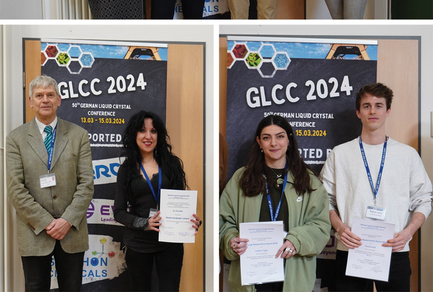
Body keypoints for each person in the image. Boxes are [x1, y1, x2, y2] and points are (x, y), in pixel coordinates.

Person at [320, 83, 432, 291]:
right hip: (352, 249)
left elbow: (424, 199)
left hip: (394, 250)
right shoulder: (340, 154)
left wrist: (409, 231)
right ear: (358, 112)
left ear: (388, 111)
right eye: (366, 106)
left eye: (379, 105)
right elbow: (324, 199)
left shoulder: (407, 155)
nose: (373, 111)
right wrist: (339, 227)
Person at [219, 115, 331, 292]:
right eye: (266, 137)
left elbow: (321, 225)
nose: (273, 143)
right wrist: (231, 240)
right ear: (259, 142)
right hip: (251, 274)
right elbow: (223, 221)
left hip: (293, 274)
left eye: (279, 136)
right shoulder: (242, 178)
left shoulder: (308, 181)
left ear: (289, 139)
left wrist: (297, 240)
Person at [6, 75, 94, 292]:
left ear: (59, 100)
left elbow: (86, 184)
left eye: (50, 95)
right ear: (31, 101)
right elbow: (15, 188)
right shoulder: (15, 138)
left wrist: (66, 220)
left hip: (71, 230)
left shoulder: (79, 135)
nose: (45, 100)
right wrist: (46, 222)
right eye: (39, 95)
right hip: (34, 232)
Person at [113, 110, 202, 291]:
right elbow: (119, 212)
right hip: (138, 243)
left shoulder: (172, 164)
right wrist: (144, 223)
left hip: (170, 242)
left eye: (153, 131)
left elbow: (181, 202)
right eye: (142, 131)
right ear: (134, 134)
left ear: (159, 135)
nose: (148, 136)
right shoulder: (126, 169)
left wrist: (192, 221)